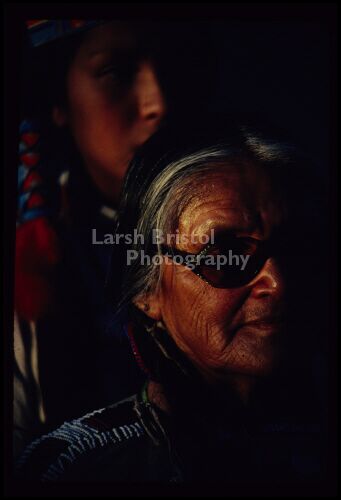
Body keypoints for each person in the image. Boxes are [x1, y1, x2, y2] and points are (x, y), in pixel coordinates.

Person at [16, 118, 326, 484]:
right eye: (224, 252)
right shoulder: (77, 470)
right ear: (147, 291)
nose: (278, 282)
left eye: (297, 248)